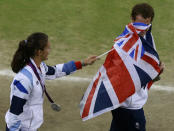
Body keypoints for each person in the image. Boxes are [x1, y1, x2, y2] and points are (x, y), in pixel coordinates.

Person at [5, 32, 97, 131]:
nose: (50, 51)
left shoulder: (41, 67)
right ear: (39, 52)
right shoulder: (25, 80)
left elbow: (56, 71)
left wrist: (83, 63)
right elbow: (14, 114)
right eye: (48, 48)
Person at [109, 3, 165, 131]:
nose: (141, 29)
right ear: (132, 20)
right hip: (129, 107)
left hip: (126, 104)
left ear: (149, 20)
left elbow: (148, 71)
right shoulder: (124, 43)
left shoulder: (149, 39)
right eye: (137, 24)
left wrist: (158, 71)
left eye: (144, 25)